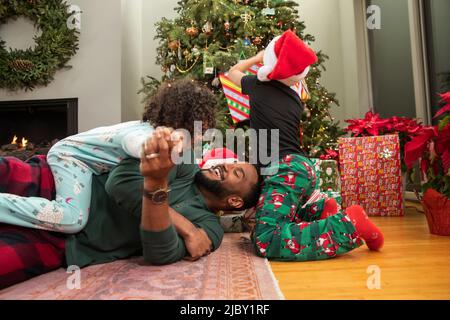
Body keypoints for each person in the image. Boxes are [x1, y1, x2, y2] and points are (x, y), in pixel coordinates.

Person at [0, 127, 261, 289]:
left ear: (234, 202)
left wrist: (155, 184)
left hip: (69, 244)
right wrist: (183, 225)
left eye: (237, 172)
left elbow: (159, 251)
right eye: (233, 161)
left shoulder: (209, 230)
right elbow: (119, 182)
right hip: (59, 180)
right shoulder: (184, 159)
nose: (226, 164)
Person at [227, 30, 384, 261]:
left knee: (265, 239)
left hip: (284, 170)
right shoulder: (294, 97)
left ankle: (350, 224)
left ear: (270, 65)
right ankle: (319, 212)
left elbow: (233, 73)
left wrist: (256, 58)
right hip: (301, 167)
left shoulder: (259, 86)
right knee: (284, 216)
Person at [0, 79, 217, 234]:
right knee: (72, 219)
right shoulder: (145, 134)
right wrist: (158, 147)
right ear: (183, 119)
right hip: (70, 157)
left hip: (85, 164)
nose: (201, 136)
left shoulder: (151, 129)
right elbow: (134, 144)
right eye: (200, 128)